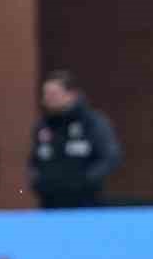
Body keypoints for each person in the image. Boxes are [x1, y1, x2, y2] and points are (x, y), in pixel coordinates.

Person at [30, 70, 121, 209]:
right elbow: (34, 161)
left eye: (53, 94)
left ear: (71, 95)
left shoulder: (92, 123)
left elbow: (110, 157)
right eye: (45, 94)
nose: (47, 98)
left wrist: (85, 180)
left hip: (86, 203)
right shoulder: (43, 126)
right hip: (50, 203)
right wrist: (38, 182)